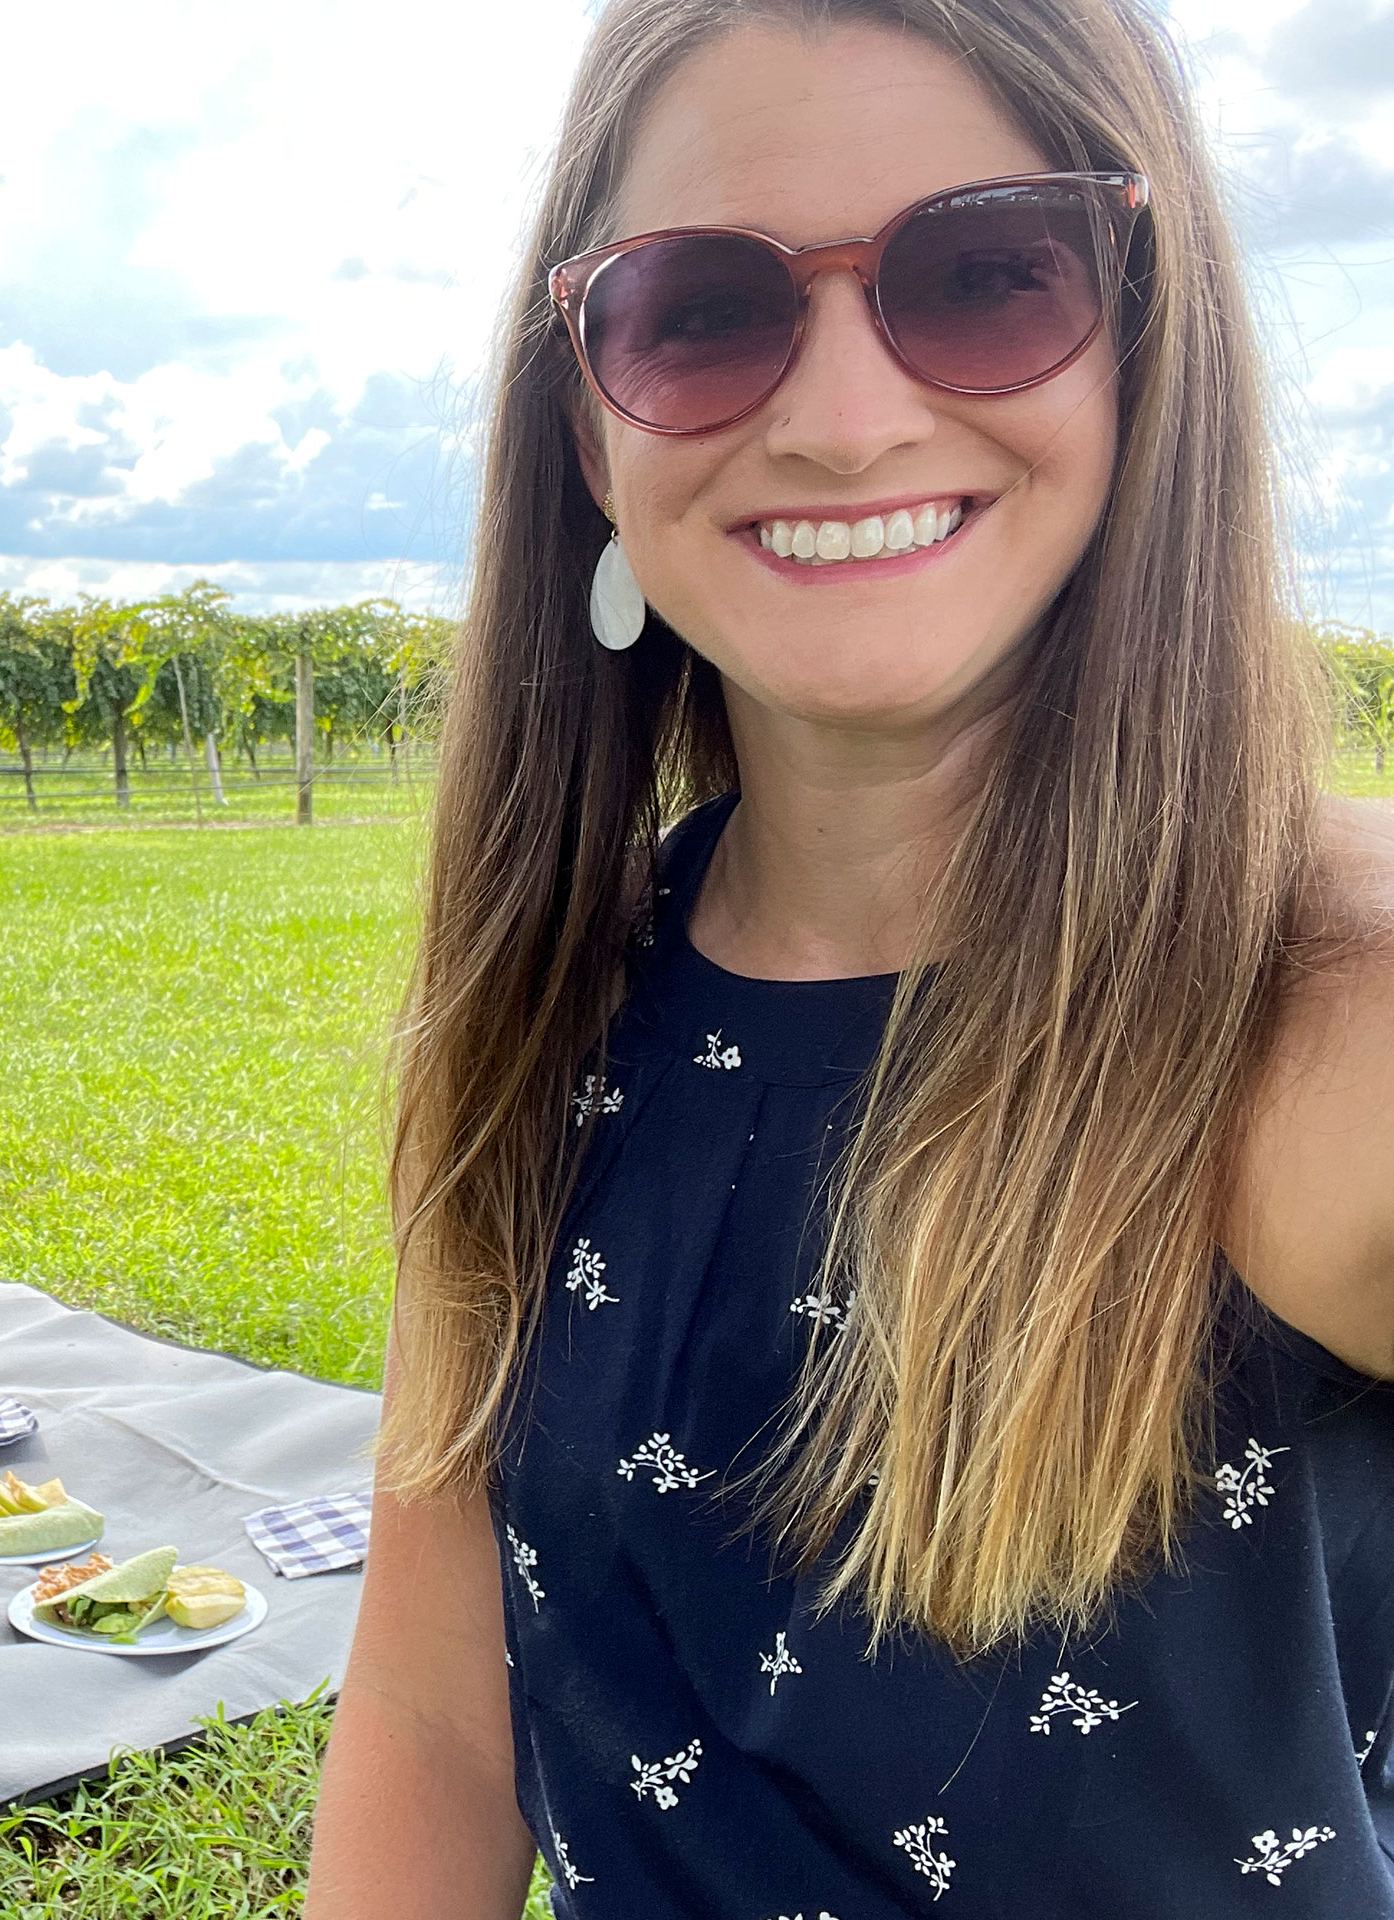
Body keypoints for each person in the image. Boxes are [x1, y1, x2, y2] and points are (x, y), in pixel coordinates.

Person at [307, 1, 1394, 1913]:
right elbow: (430, 1710)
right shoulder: (540, 1011)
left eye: (986, 276)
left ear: (1152, 338)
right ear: (589, 414)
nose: (841, 414)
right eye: (702, 310)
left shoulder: (1329, 1014)